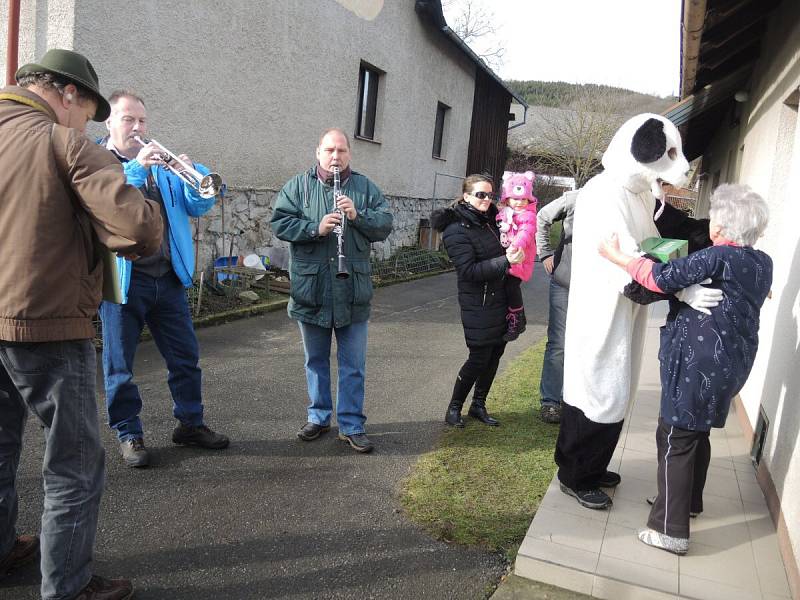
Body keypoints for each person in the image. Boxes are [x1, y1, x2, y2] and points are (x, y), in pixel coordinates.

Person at [0, 49, 163, 600]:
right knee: (72, 464)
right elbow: (137, 231)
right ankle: (67, 586)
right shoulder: (63, 142)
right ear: (68, 93)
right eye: (88, 109)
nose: (85, 123)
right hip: (46, 322)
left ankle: (2, 549)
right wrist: (142, 191)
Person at [557, 114, 723, 510]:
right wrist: (681, 289)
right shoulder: (602, 194)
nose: (679, 165)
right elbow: (630, 268)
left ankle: (592, 468)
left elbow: (665, 234)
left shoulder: (641, 192)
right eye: (668, 154)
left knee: (617, 390)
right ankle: (575, 475)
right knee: (597, 390)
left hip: (625, 311)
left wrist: (718, 239)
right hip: (603, 309)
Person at [598, 183, 772, 555]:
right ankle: (688, 502)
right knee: (697, 432)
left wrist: (616, 256)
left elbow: (659, 278)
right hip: (733, 363)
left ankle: (669, 530)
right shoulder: (761, 262)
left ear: (721, 229)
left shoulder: (715, 257)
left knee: (676, 437)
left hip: (698, 362)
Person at [98, 90, 229, 468]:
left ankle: (190, 423)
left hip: (167, 277)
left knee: (186, 358)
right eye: (128, 120)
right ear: (109, 122)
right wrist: (138, 166)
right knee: (120, 365)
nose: (138, 127)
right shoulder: (98, 160)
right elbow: (110, 200)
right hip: (123, 279)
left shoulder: (161, 166)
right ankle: (129, 433)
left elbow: (201, 204)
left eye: (142, 120)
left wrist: (193, 176)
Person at [270, 128, 393, 453]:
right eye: (329, 150)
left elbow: (384, 225)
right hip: (312, 290)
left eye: (341, 150)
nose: (335, 156)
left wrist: (357, 215)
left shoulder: (365, 188)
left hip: (352, 290)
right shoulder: (297, 186)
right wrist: (314, 228)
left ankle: (351, 425)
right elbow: (279, 222)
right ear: (318, 152)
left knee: (354, 365)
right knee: (316, 361)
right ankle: (319, 417)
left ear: (349, 153)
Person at [432, 175, 527, 428]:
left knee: (496, 354)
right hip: (480, 303)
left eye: (490, 195)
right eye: (480, 195)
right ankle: (454, 408)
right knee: (478, 358)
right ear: (466, 196)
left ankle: (478, 405)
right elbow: (469, 271)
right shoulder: (455, 230)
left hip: (503, 298)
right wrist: (507, 261)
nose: (486, 200)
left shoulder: (494, 221)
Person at [535, 189, 578, 424]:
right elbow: (542, 216)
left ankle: (573, 399)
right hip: (564, 284)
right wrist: (544, 253)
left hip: (598, 290)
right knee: (559, 344)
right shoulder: (576, 198)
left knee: (584, 345)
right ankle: (550, 402)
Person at [495, 171, 538, 342]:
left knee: (512, 287)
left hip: (519, 257)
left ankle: (517, 320)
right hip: (508, 257)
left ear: (528, 200)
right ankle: (518, 316)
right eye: (515, 199)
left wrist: (515, 247)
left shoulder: (528, 215)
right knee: (505, 287)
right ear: (507, 199)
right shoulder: (504, 213)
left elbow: (525, 233)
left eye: (523, 199)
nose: (519, 203)